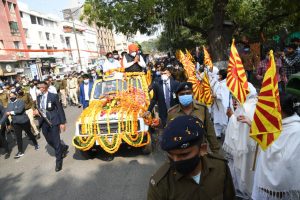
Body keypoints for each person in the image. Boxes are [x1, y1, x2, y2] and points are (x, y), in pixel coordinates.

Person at [147, 115, 235, 200]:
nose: (176, 160)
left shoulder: (220, 168)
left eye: (183, 154)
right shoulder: (161, 184)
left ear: (202, 149)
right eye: (171, 154)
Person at [252, 93, 300, 200]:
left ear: (280, 110)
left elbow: (289, 161)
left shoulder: (297, 130)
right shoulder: (275, 124)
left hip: (285, 189)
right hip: (265, 187)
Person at [223, 82, 257, 199]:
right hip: (253, 150)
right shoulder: (256, 105)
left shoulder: (245, 108)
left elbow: (236, 123)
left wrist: (232, 116)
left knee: (243, 171)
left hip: (243, 149)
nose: (235, 99)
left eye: (236, 95)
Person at [168, 82, 221, 154]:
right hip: (181, 153)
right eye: (182, 94)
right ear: (177, 95)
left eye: (188, 93)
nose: (185, 95)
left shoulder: (202, 109)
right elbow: (169, 136)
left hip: (200, 152)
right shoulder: (172, 113)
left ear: (192, 93)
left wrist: (216, 152)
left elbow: (210, 131)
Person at [34, 81, 69, 172]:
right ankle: (63, 148)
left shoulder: (53, 96)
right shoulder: (39, 97)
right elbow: (39, 109)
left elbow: (60, 109)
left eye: (40, 87)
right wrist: (37, 112)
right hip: (44, 122)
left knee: (56, 142)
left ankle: (59, 162)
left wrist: (62, 122)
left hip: (54, 122)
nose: (39, 89)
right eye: (38, 87)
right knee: (49, 141)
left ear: (45, 87)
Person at [0, 92, 39, 158]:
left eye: (13, 96)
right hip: (16, 123)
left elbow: (20, 110)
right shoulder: (9, 104)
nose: (12, 97)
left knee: (29, 133)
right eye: (10, 96)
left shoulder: (20, 101)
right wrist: (1, 123)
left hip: (24, 121)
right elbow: (5, 114)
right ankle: (20, 151)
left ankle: (36, 144)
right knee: (18, 137)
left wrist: (11, 112)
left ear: (16, 95)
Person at [212, 69, 231, 139]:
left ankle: (227, 134)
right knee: (217, 118)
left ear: (220, 76)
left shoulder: (226, 84)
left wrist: (217, 96)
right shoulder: (217, 82)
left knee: (224, 119)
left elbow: (224, 96)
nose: (216, 75)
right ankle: (218, 133)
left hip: (223, 105)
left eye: (218, 74)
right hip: (217, 104)